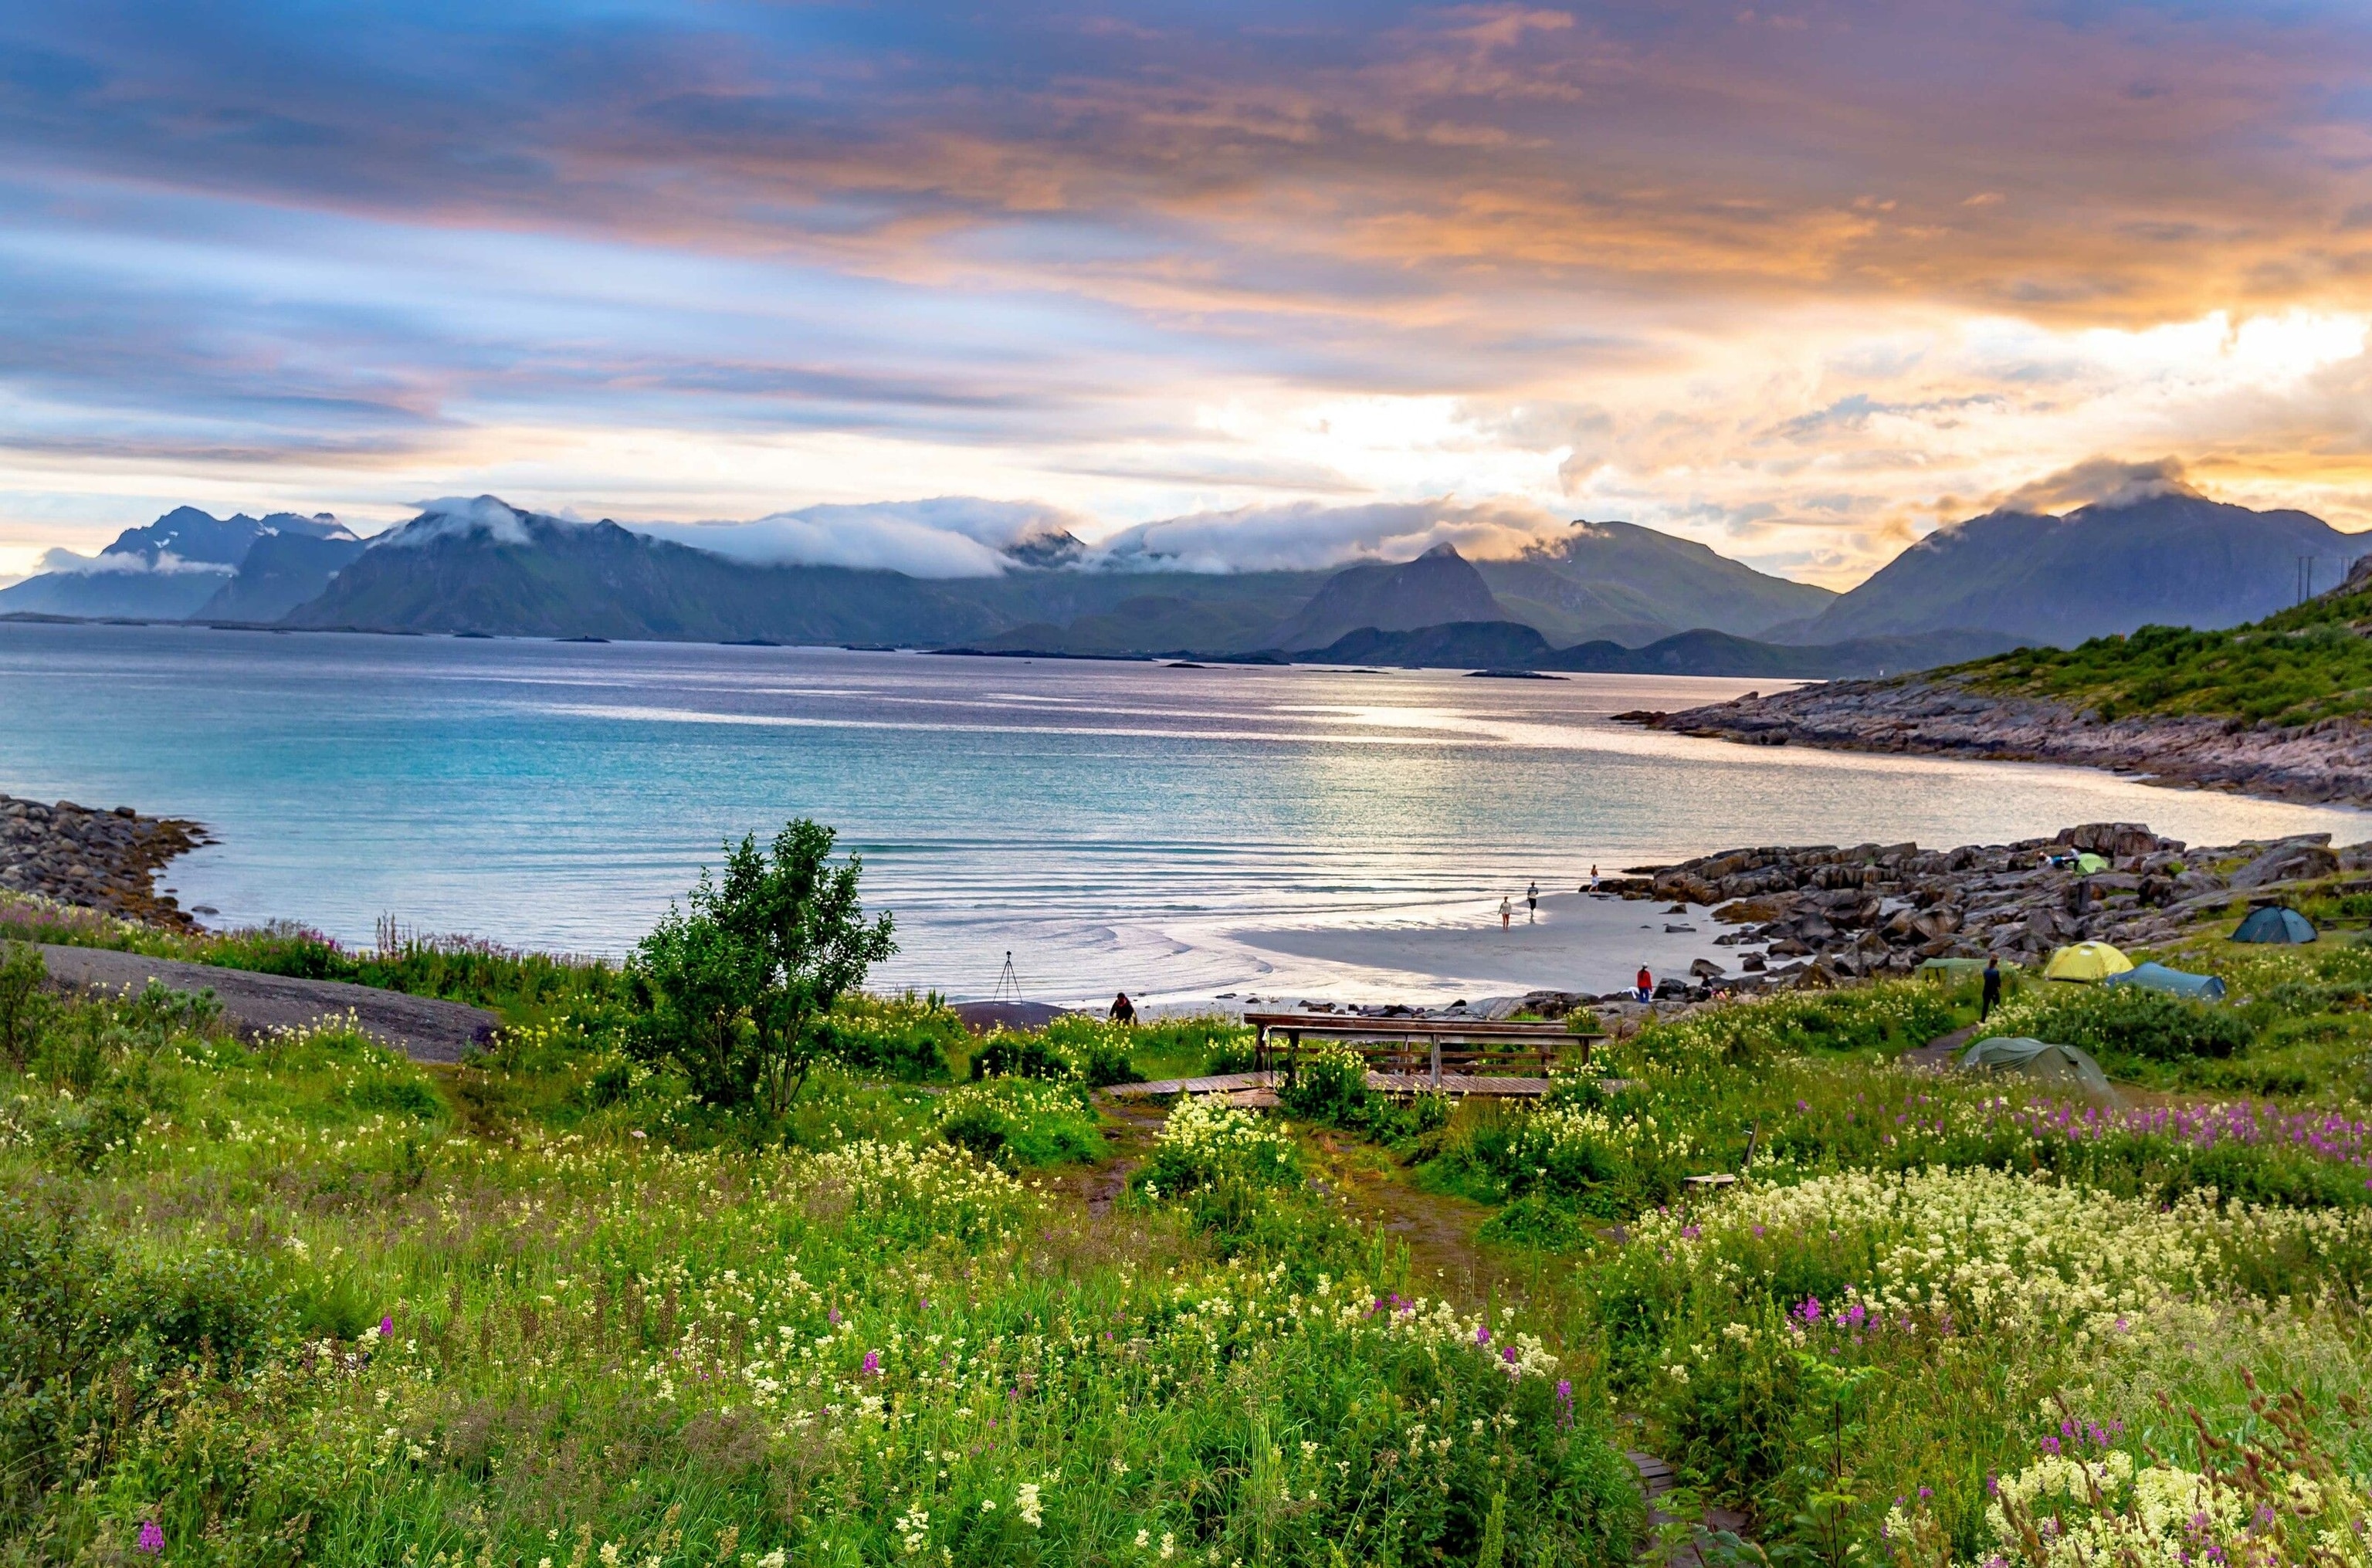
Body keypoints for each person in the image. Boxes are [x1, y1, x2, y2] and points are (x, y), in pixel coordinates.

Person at [1980, 957, 2001, 1022]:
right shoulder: (1996, 972)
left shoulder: (1985, 971)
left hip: (1986, 990)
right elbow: (1998, 983)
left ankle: (1983, 1020)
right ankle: (1998, 1020)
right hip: (1994, 991)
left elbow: (1986, 979)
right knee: (1997, 1005)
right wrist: (1999, 987)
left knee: (1985, 1006)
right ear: (1996, 963)